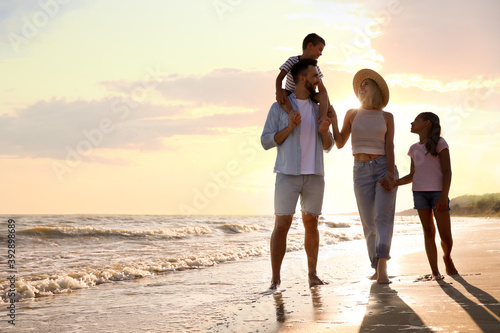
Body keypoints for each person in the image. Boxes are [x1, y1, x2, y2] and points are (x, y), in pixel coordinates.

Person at [261, 58, 334, 289]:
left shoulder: (319, 108)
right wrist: (289, 128)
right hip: (287, 174)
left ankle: (312, 275)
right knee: (282, 225)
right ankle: (275, 279)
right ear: (302, 78)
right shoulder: (279, 107)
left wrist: (325, 132)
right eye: (315, 76)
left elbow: (328, 146)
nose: (318, 81)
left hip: (315, 175)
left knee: (311, 223)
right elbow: (265, 141)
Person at [329, 69, 397, 284]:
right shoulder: (352, 113)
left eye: (366, 84)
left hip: (383, 167)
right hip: (360, 170)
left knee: (382, 218)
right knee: (368, 222)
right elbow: (339, 143)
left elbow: (389, 145)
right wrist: (333, 120)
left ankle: (383, 267)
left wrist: (390, 172)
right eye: (360, 84)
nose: (361, 87)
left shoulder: (387, 116)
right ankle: (376, 266)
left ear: (375, 89)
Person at [394, 112, 458, 280]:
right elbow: (412, 175)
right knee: (428, 231)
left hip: (438, 193)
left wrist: (444, 196)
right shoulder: (413, 149)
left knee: (445, 235)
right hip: (419, 194)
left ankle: (447, 257)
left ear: (426, 124)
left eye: (415, 120)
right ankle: (435, 272)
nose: (411, 122)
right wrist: (394, 183)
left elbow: (447, 171)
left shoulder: (440, 143)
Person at [275, 33, 330, 124]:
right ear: (310, 45)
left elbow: (322, 88)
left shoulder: (315, 67)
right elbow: (280, 78)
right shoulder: (293, 60)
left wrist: (328, 107)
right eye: (320, 50)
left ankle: (322, 119)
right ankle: (292, 113)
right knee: (282, 92)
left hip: (309, 94)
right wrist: (278, 93)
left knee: (324, 95)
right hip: (291, 93)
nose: (321, 54)